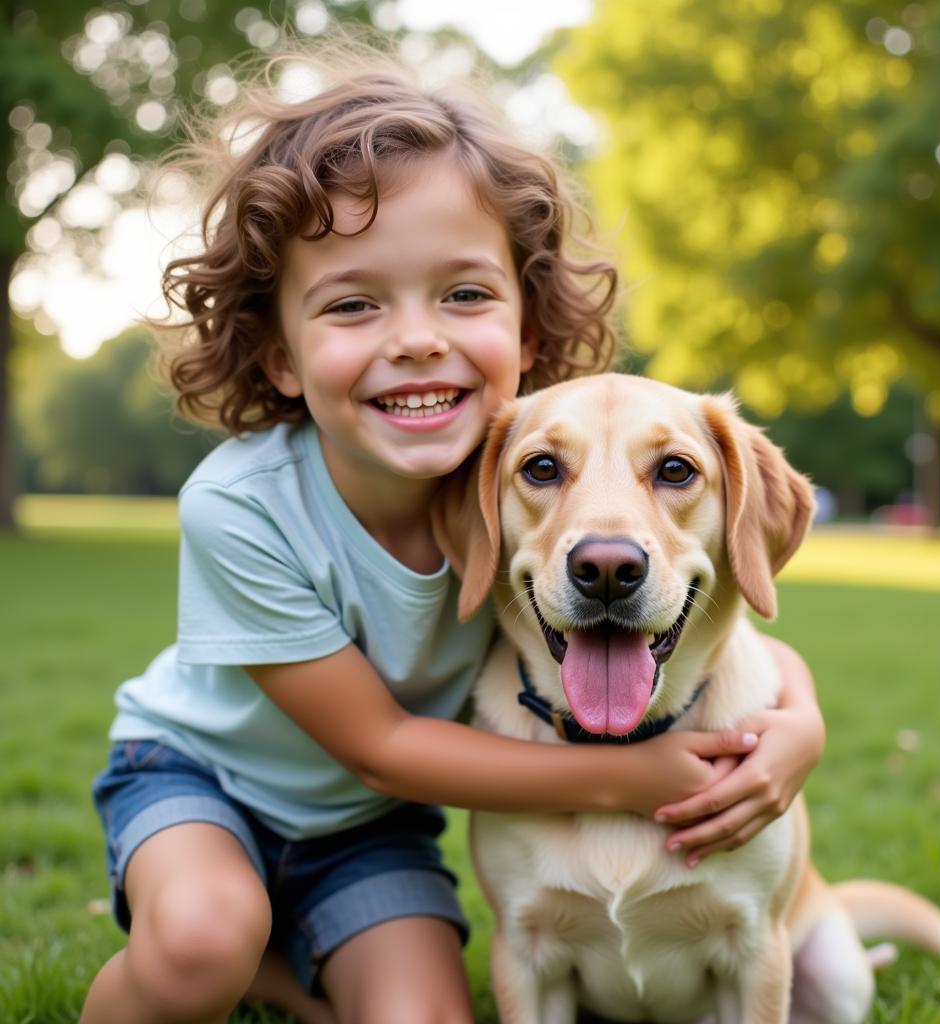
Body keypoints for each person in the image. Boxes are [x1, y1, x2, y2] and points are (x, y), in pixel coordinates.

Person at [82, 39, 825, 1024]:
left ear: (523, 331)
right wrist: (631, 773)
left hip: (368, 832)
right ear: (282, 356)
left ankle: (289, 964)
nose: (419, 337)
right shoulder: (240, 505)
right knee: (202, 938)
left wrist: (799, 726)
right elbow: (384, 744)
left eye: (464, 292)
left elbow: (724, 632)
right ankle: (230, 946)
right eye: (353, 303)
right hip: (201, 783)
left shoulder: (518, 501)